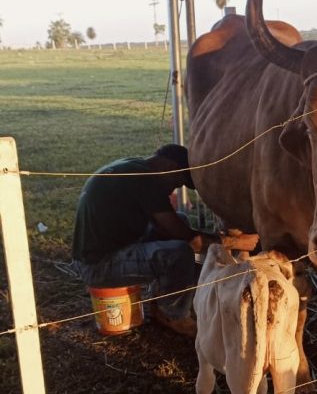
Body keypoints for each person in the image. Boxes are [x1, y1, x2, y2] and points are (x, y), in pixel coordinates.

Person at [72, 143, 258, 337]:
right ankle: (174, 315)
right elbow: (189, 239)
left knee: (181, 221)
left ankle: (161, 302)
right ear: (170, 167)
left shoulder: (134, 167)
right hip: (99, 266)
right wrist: (235, 243)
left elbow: (173, 228)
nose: (172, 192)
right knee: (178, 253)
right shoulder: (145, 182)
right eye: (176, 183)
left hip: (102, 249)